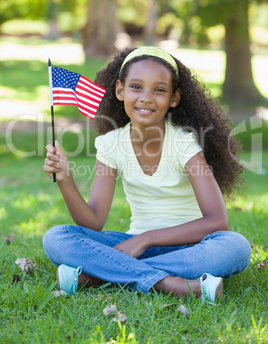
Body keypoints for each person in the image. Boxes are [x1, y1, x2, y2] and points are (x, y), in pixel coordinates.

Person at [43, 46, 251, 301]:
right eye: (136, 87)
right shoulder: (110, 144)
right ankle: (173, 284)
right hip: (132, 247)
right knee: (57, 238)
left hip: (190, 247)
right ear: (120, 90)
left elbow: (217, 222)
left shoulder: (183, 143)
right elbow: (93, 221)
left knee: (234, 247)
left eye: (159, 90)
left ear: (174, 98)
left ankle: (99, 276)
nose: (146, 98)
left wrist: (147, 239)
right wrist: (65, 180)